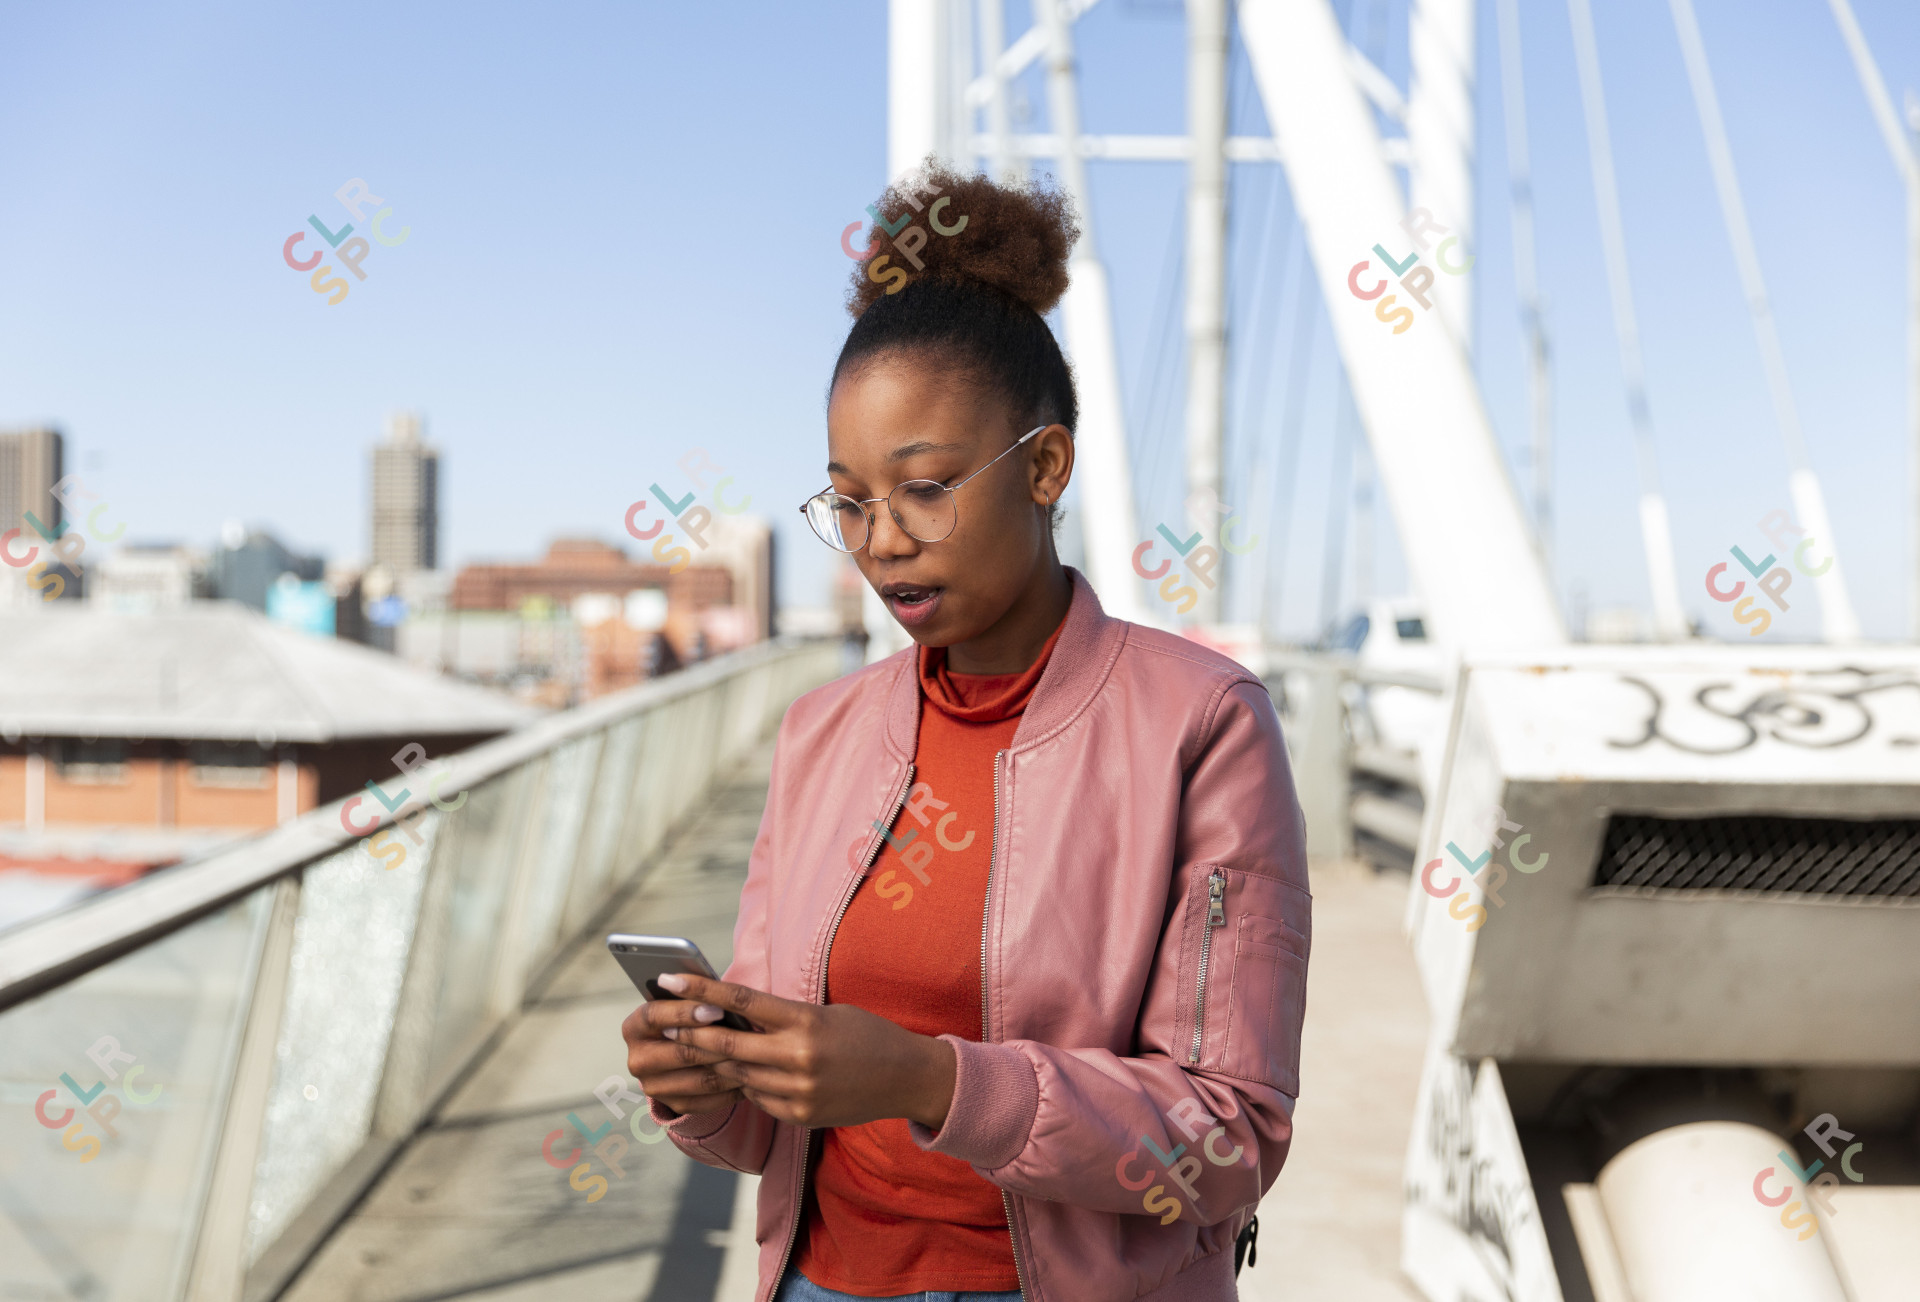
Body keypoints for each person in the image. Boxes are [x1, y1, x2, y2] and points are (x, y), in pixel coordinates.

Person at [622, 163, 1311, 1302]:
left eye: (925, 489)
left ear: (1045, 466)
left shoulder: (1202, 724)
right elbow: (762, 1135)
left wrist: (933, 1083)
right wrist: (706, 1083)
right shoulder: (820, 733)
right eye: (848, 502)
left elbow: (1228, 1142)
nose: (881, 541)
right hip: (820, 1282)